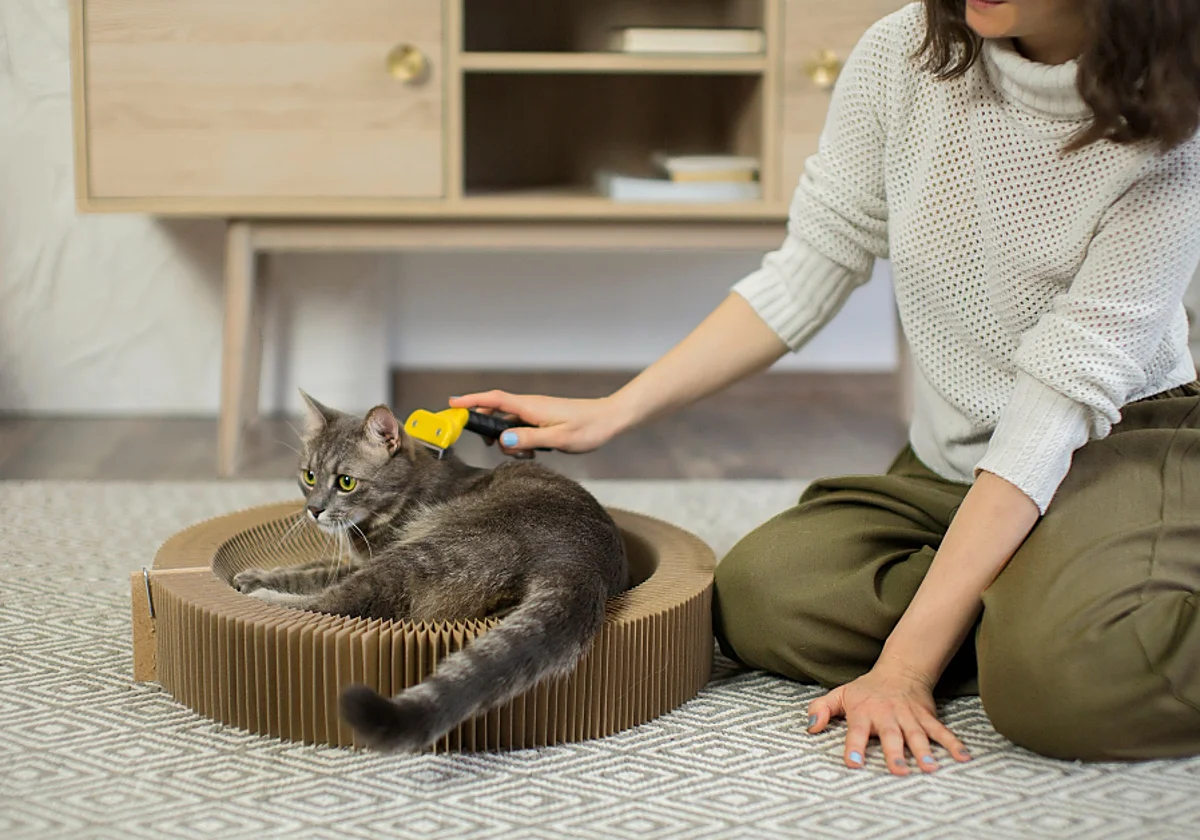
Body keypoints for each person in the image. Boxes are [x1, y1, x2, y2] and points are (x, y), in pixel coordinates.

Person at [451, 0, 1200, 774]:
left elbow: (1052, 408)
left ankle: (1049, 629)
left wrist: (906, 667)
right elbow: (816, 261)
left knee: (1067, 692)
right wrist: (615, 411)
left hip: (1112, 445)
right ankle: (1028, 607)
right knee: (761, 594)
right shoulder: (903, 51)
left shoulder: (1177, 128)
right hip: (953, 464)